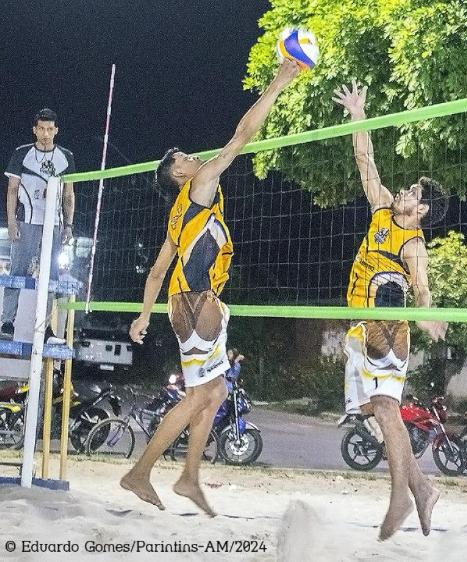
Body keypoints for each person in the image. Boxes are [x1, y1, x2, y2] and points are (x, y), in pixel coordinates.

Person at [120, 59, 301, 516]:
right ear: (180, 175)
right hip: (198, 302)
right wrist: (279, 82)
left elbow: (157, 272)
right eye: (181, 157)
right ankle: (141, 472)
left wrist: (143, 315)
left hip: (179, 306)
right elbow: (241, 136)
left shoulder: (178, 214)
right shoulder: (201, 184)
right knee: (204, 394)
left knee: (214, 391)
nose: (189, 155)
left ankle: (188, 477)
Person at [334, 80, 447, 540]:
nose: (405, 189)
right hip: (361, 327)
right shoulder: (382, 209)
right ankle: (421, 489)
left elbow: (422, 292)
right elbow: (366, 164)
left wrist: (429, 315)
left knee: (384, 407)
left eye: (414, 191)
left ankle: (405, 494)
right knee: (374, 411)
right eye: (408, 187)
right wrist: (358, 116)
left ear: (421, 211)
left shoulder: (414, 244)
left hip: (388, 328)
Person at [2, 108, 76, 339]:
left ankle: (46, 328)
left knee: (52, 276)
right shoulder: (22, 154)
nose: (46, 133)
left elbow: (69, 194)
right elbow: (12, 190)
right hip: (28, 222)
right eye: (41, 129)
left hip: (53, 225)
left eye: (50, 129)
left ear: (56, 131)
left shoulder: (66, 157)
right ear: (35, 130)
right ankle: (7, 322)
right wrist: (12, 222)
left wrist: (68, 225)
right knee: (18, 271)